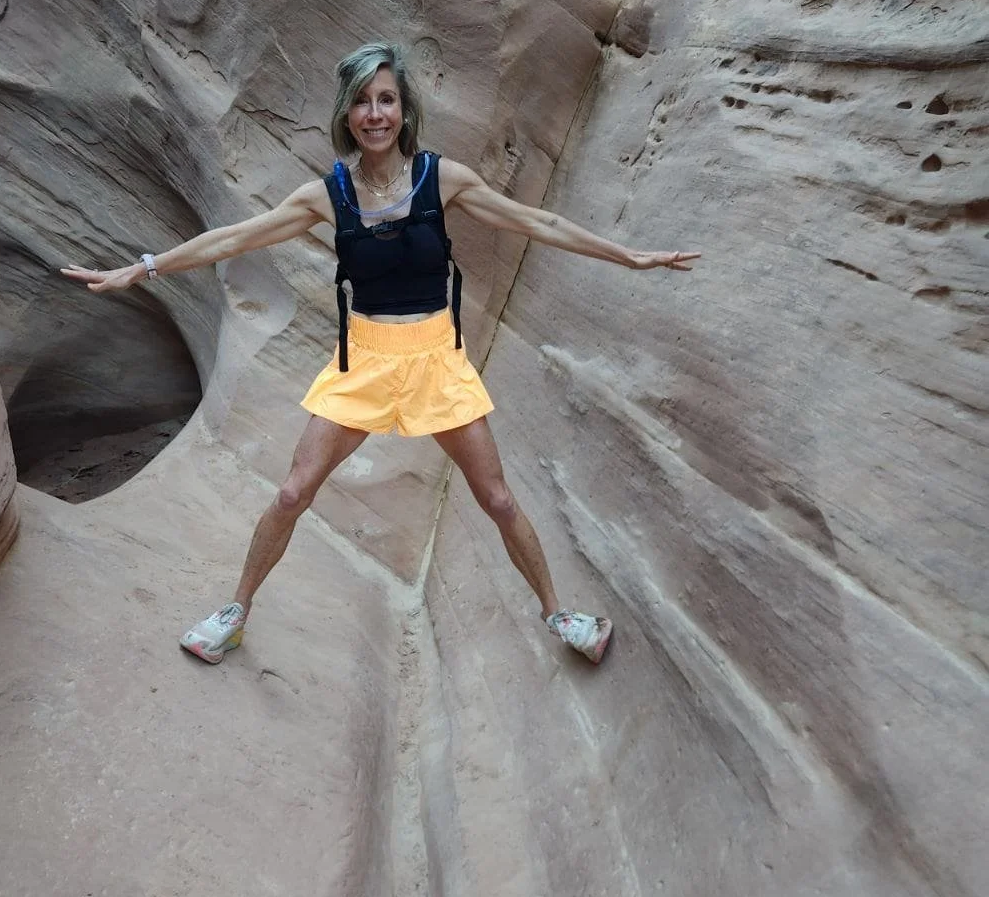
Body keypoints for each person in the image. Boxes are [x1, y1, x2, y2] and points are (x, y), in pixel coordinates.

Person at [62, 40, 699, 665]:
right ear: (346, 112)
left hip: (435, 362)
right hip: (362, 361)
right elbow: (235, 237)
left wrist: (630, 256)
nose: (376, 113)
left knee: (498, 499)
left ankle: (560, 614)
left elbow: (541, 223)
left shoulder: (442, 179)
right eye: (363, 101)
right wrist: (142, 268)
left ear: (404, 109)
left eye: (387, 99)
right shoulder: (326, 195)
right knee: (291, 494)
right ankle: (235, 613)